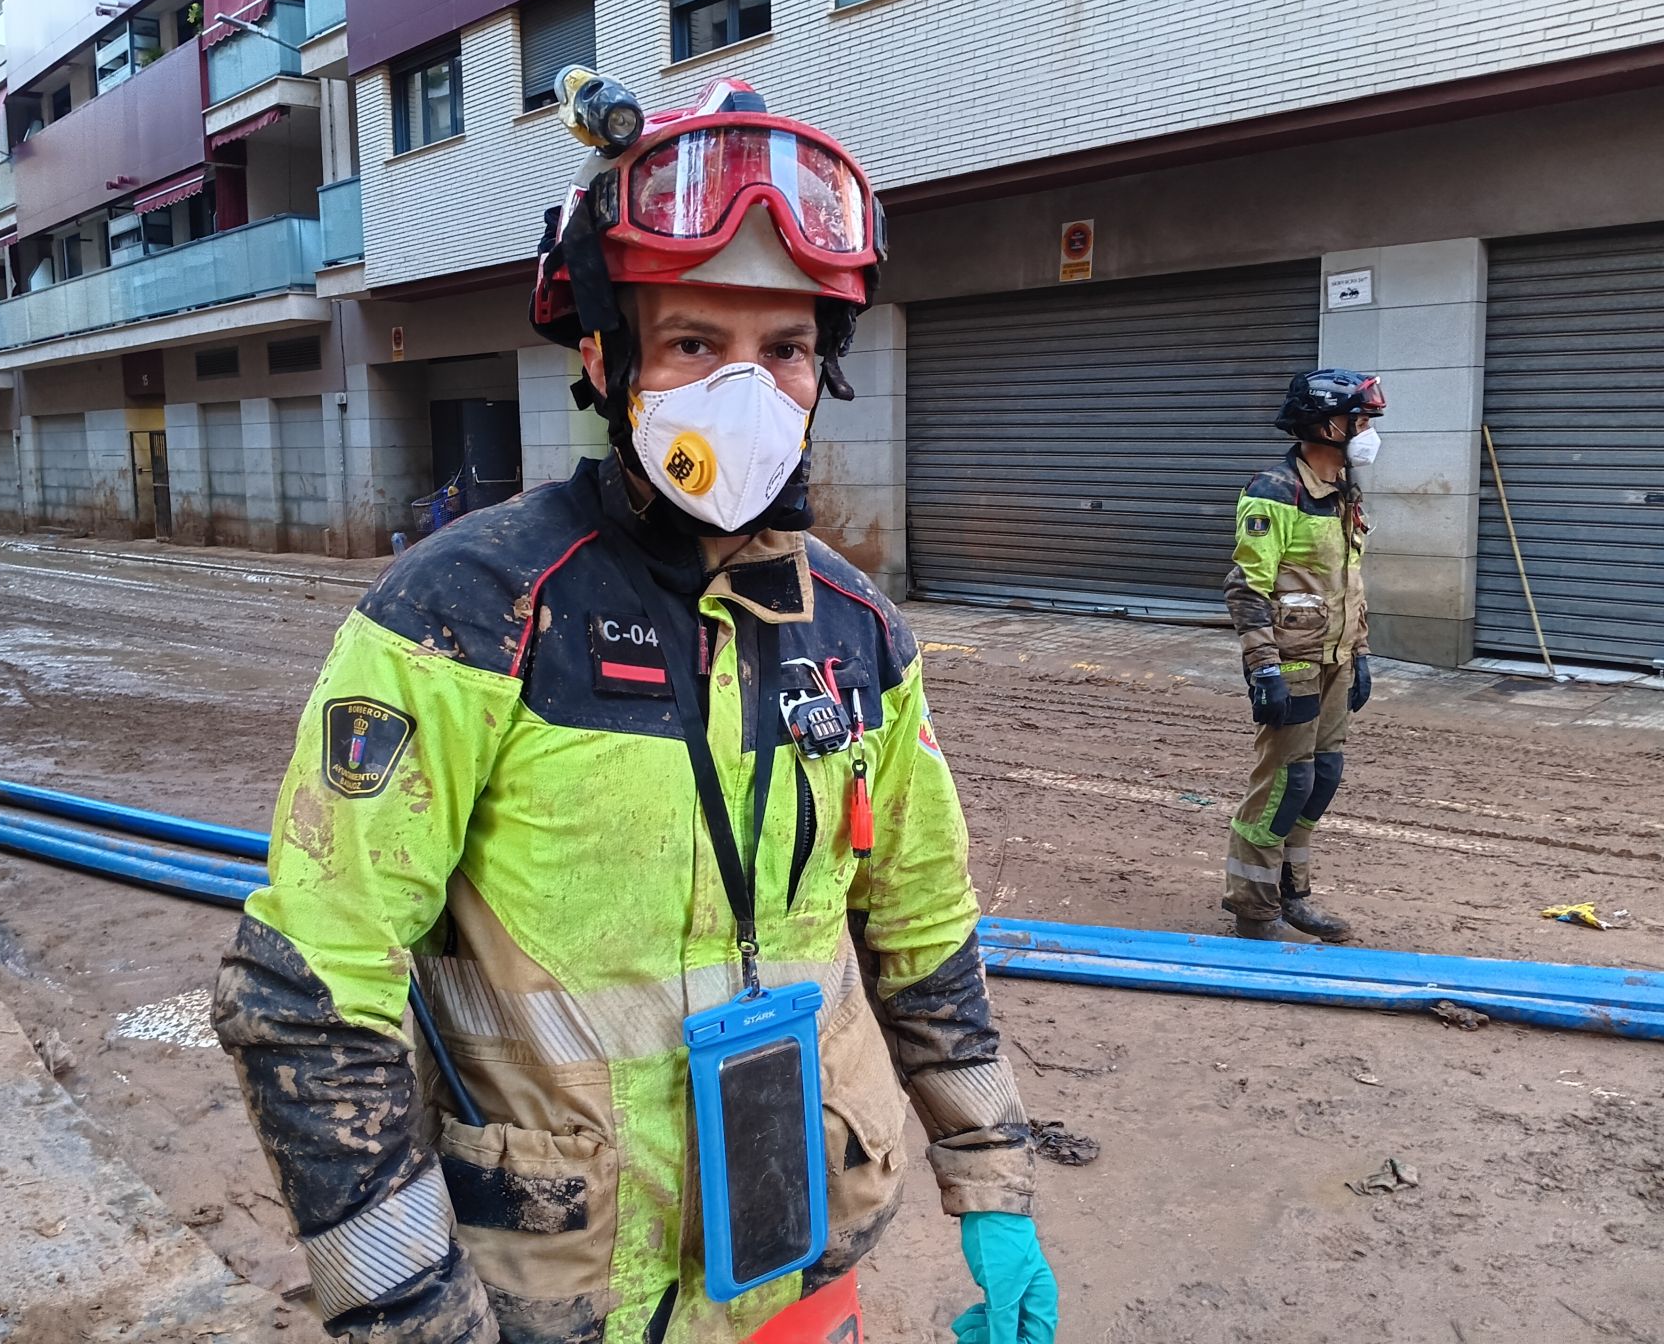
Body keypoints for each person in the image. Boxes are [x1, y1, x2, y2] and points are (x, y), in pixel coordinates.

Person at [212, 75, 1056, 1344]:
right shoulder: (471, 614)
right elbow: (309, 999)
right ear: (605, 359)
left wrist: (992, 1186)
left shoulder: (858, 632)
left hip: (799, 1260)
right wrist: (408, 1315)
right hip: (562, 1297)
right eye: (695, 345)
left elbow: (923, 923)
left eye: (783, 349)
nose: (748, 391)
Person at [1221, 368, 1387, 943]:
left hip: (1336, 660)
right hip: (1290, 663)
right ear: (1323, 423)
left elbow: (1350, 583)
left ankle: (1293, 893)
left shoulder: (1343, 490)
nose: (1366, 432)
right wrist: (1261, 665)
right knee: (1284, 783)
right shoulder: (1275, 491)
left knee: (1321, 778)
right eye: (1359, 419)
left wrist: (1360, 653)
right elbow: (1247, 588)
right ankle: (1253, 907)